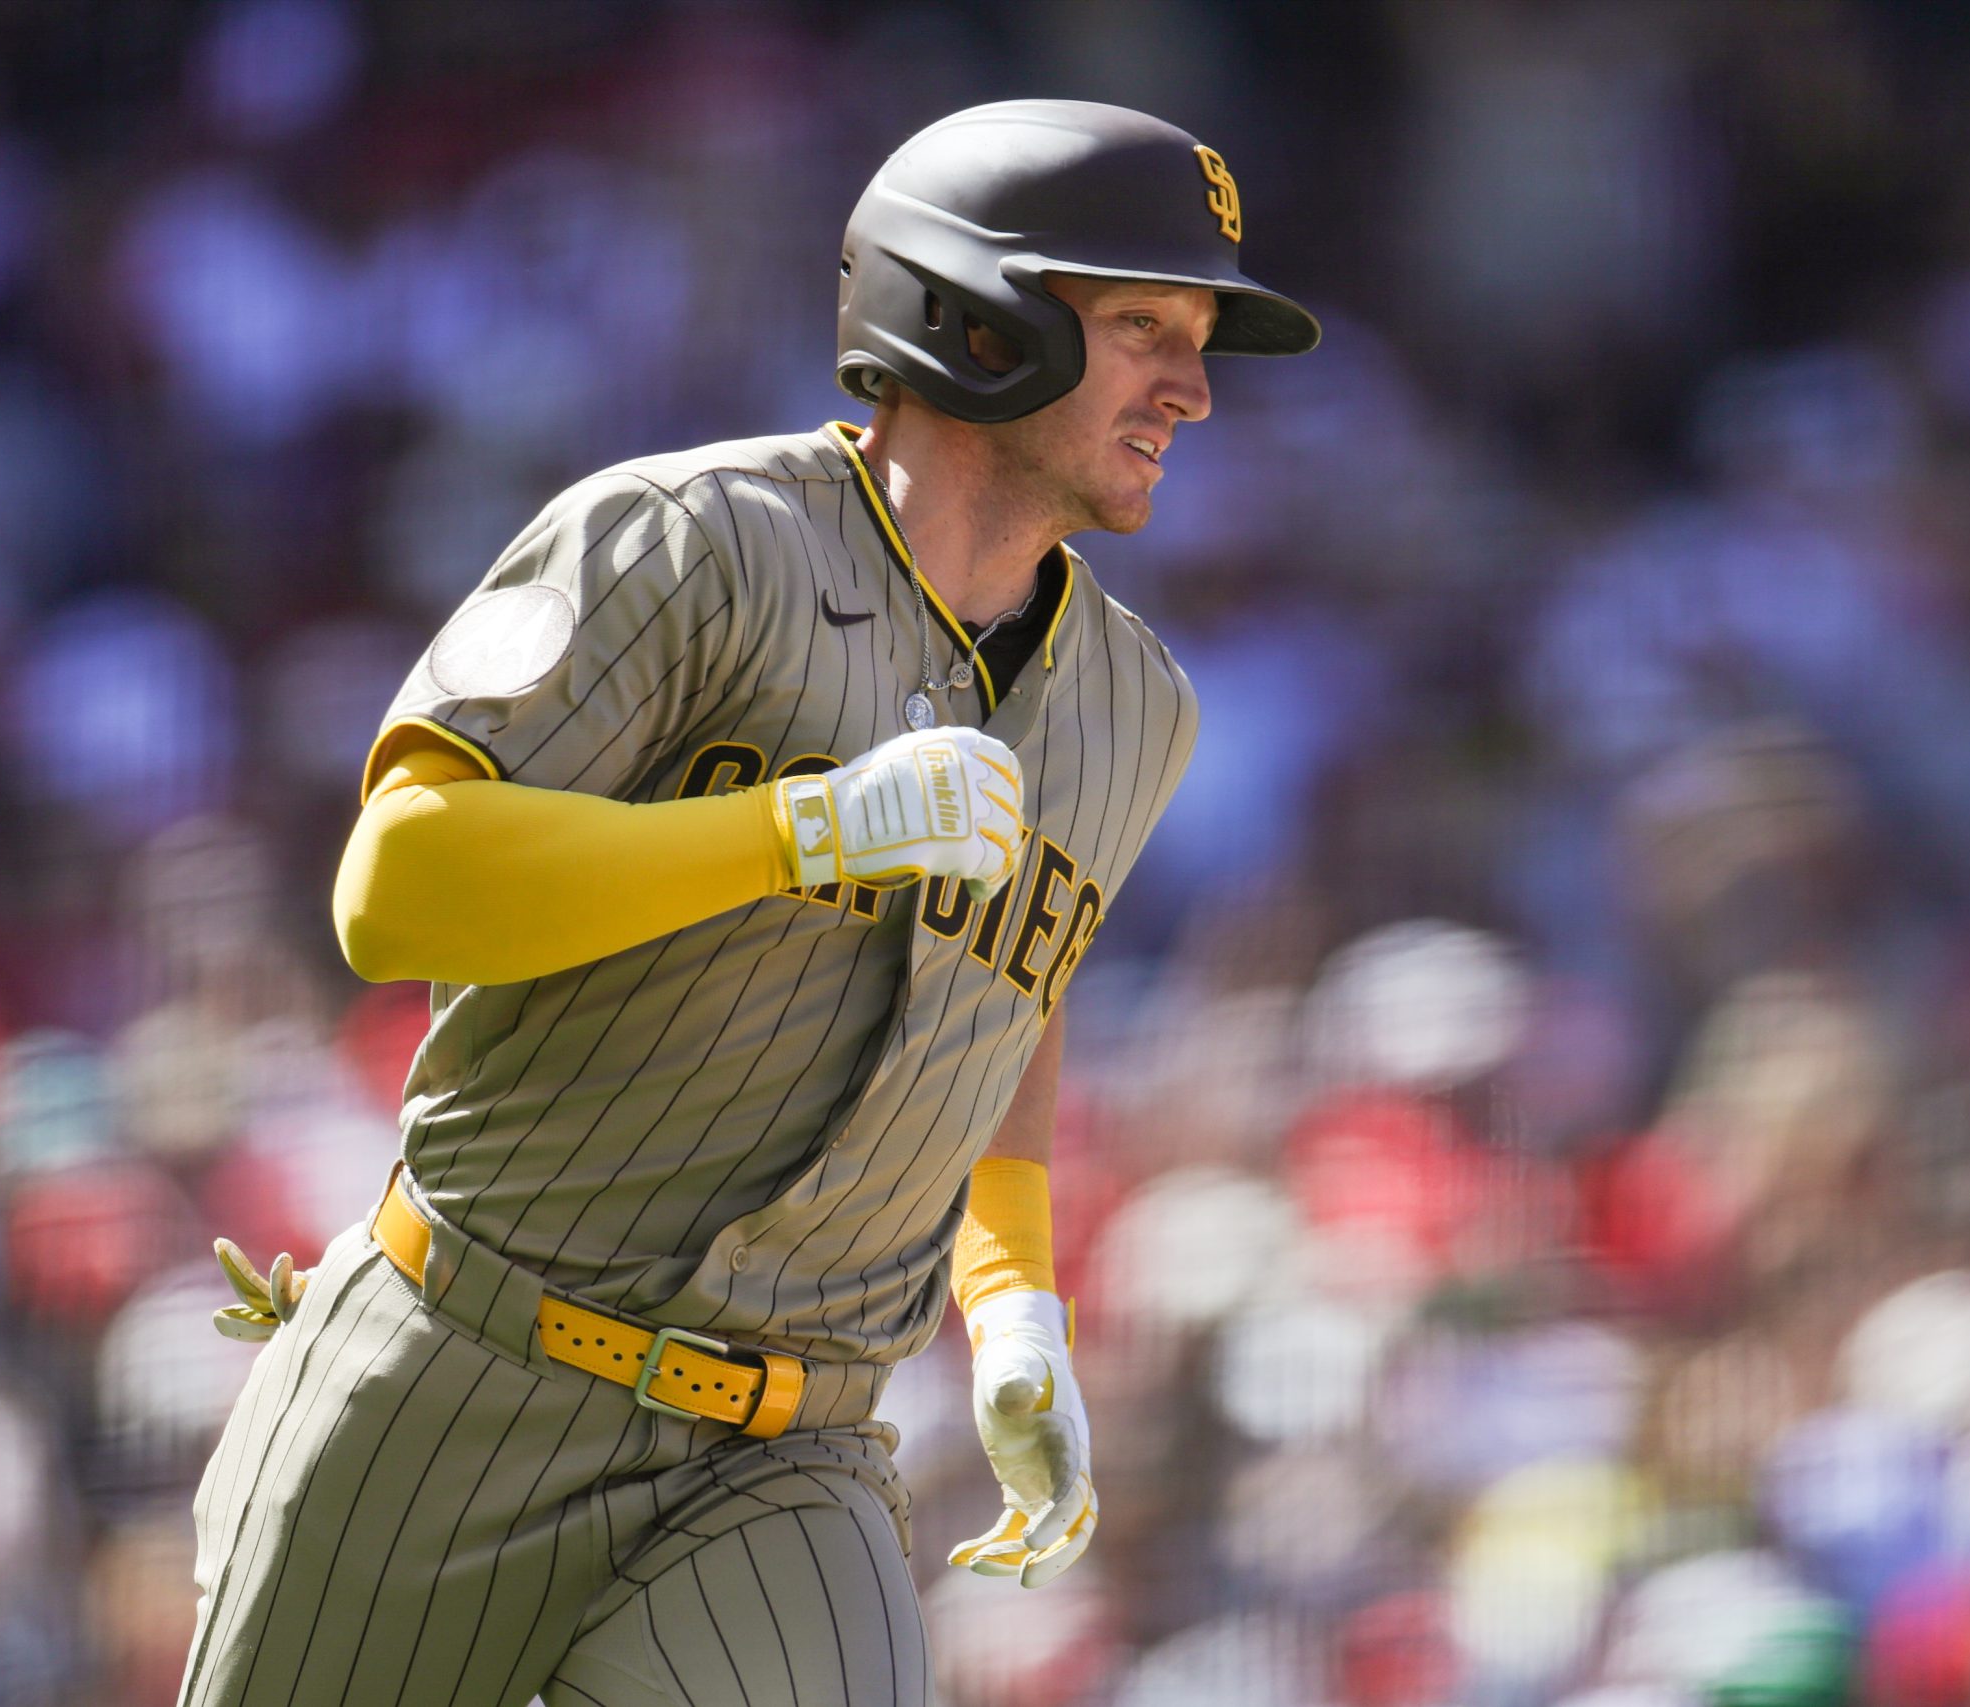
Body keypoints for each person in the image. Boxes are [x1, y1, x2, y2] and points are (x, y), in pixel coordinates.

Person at [180, 98, 1318, 1707]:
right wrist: (798, 832)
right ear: (976, 317)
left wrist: (1014, 1304)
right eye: (1146, 328)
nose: (1193, 389)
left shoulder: (1137, 708)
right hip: (460, 1371)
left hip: (787, 1453)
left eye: (1198, 343)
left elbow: (1009, 999)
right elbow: (396, 888)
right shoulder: (683, 541)